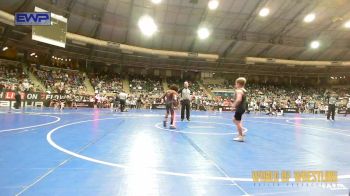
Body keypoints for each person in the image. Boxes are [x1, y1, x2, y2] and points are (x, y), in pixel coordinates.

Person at [231, 77, 247, 142]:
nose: (235, 85)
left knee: (237, 122)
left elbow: (239, 99)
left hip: (240, 108)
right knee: (234, 120)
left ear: (238, 84)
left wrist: (233, 105)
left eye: (236, 83)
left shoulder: (239, 90)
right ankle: (242, 130)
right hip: (242, 107)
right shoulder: (243, 90)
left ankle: (241, 136)